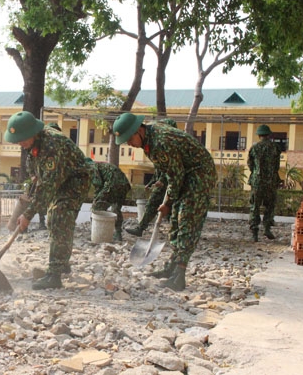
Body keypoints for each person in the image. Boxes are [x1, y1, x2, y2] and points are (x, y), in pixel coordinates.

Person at [113, 113, 216, 291]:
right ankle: (171, 267)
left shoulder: (160, 143)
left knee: (186, 220)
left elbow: (176, 175)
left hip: (199, 173)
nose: (129, 144)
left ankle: (180, 275)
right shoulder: (150, 138)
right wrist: (164, 190)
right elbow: (170, 171)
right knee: (175, 220)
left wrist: (167, 203)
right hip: (185, 172)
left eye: (129, 139)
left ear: (138, 130)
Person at [4, 111, 90, 290]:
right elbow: (39, 178)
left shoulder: (51, 145)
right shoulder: (34, 146)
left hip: (75, 180)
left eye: (22, 138)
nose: (20, 143)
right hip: (60, 180)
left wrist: (28, 214)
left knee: (58, 216)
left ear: (33, 132)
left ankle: (54, 275)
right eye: (17, 139)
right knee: (56, 219)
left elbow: (49, 184)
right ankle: (62, 262)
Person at [125, 118, 177, 237]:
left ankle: (176, 232)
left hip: (174, 180)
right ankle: (141, 227)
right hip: (164, 181)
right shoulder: (154, 143)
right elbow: (160, 168)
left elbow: (172, 169)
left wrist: (162, 180)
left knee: (171, 206)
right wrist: (154, 181)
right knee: (153, 202)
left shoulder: (168, 142)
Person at [247, 124, 281, 242]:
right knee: (270, 205)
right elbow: (277, 165)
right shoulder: (275, 147)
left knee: (255, 206)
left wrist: (256, 173)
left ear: (259, 135)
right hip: (271, 180)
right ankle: (267, 228)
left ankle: (254, 233)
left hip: (257, 180)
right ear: (268, 134)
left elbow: (250, 165)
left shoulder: (254, 148)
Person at [86, 158, 131, 241]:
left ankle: (97, 234)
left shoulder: (91, 167)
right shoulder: (101, 165)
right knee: (116, 208)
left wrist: (96, 198)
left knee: (96, 208)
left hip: (112, 184)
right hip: (125, 185)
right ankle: (118, 234)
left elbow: (98, 183)